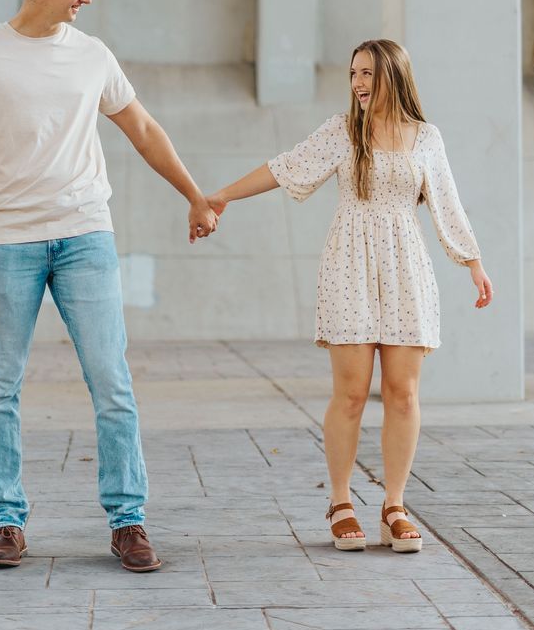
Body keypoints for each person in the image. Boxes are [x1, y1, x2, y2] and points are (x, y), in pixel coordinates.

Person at [0, 0, 218, 570]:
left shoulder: (93, 55)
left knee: (111, 381)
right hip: (8, 242)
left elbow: (143, 130)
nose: (86, 0)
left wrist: (195, 195)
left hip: (86, 235)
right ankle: (6, 522)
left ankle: (129, 520)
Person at [207, 39, 493, 553]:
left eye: (368, 73)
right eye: (353, 74)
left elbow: (447, 203)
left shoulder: (426, 138)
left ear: (393, 77)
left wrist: (472, 263)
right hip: (349, 266)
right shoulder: (341, 133)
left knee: (403, 392)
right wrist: (222, 195)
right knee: (353, 392)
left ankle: (394, 505)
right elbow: (285, 167)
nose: (358, 83)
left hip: (405, 267)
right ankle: (340, 501)